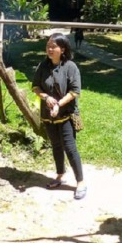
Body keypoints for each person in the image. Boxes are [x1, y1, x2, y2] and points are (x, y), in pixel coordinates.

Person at [32, 32, 87, 200]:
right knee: (56, 145)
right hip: (48, 115)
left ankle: (81, 182)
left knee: (69, 148)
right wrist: (47, 98)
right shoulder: (43, 66)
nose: (49, 49)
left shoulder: (71, 67)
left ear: (62, 49)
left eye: (53, 46)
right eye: (48, 46)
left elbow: (74, 92)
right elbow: (35, 87)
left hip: (66, 115)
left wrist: (57, 104)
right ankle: (60, 175)